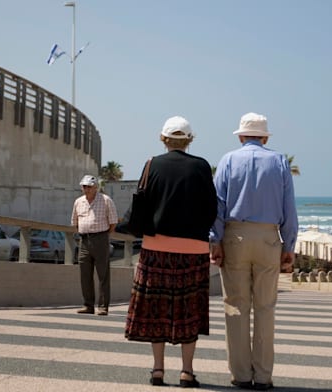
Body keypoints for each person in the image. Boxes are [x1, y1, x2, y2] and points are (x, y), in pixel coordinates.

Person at [124, 116, 217, 388]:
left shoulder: (152, 164)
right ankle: (187, 372)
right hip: (194, 249)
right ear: (189, 140)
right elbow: (212, 209)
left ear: (163, 139)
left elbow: (141, 205)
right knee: (189, 311)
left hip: (156, 248)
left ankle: (158, 370)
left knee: (157, 310)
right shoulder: (200, 167)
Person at [209, 112, 298, 391]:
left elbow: (218, 206)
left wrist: (216, 241)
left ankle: (240, 375)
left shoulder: (228, 160)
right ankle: (262, 376)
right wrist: (289, 245)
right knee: (265, 307)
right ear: (265, 136)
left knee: (235, 306)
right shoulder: (280, 161)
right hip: (269, 237)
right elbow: (289, 207)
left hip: (234, 234)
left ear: (240, 136)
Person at [71, 174, 118, 316]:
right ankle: (88, 305)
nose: (86, 189)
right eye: (84, 186)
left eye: (89, 186)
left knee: (103, 274)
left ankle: (103, 306)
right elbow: (74, 222)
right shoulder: (78, 202)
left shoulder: (105, 200)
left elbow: (113, 222)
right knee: (84, 274)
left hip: (100, 239)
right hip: (84, 240)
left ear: (96, 187)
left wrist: (103, 236)